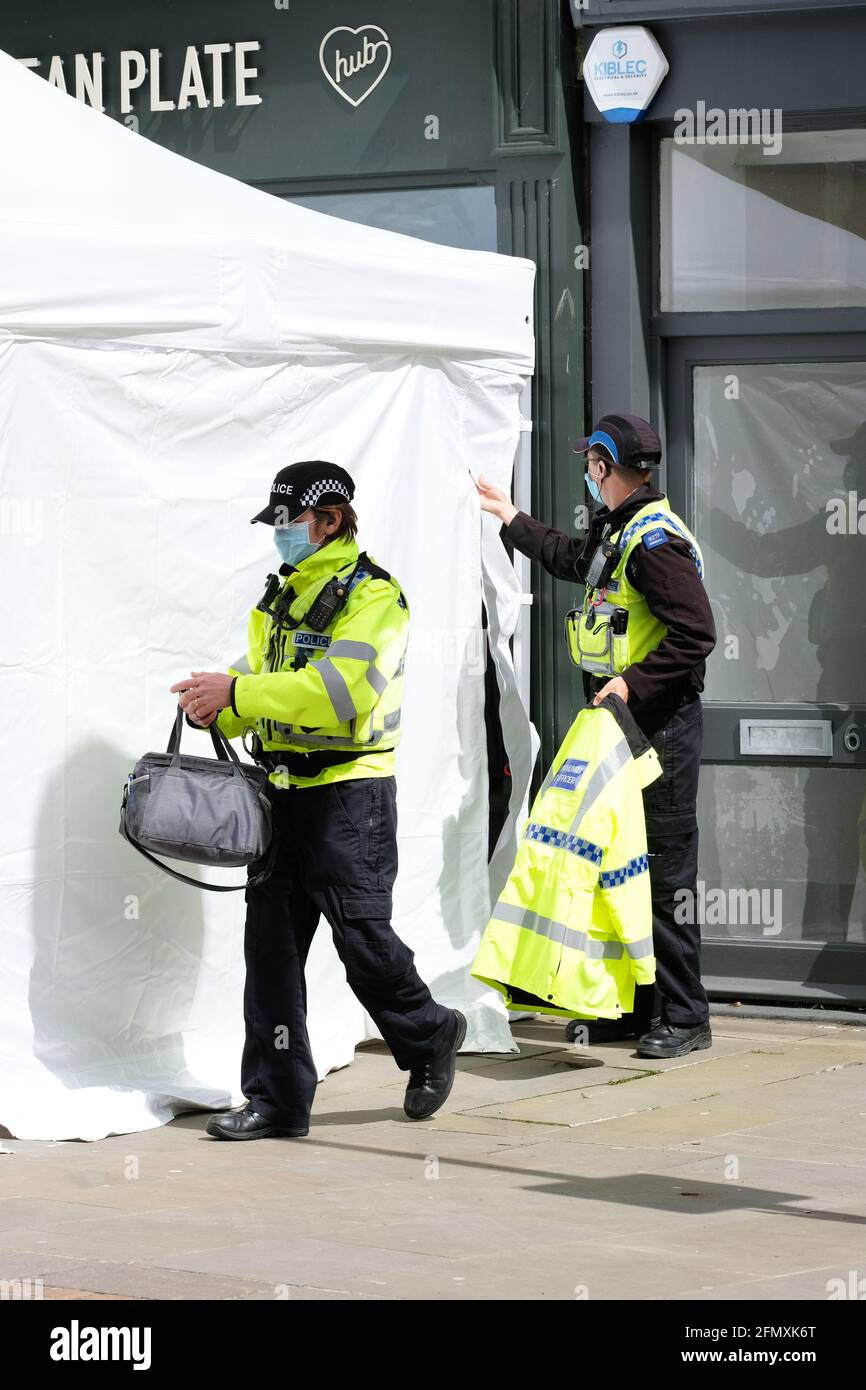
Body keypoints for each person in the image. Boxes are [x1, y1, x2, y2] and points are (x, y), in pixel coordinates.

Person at [170, 460, 465, 1139]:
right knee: (269, 954)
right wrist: (220, 705)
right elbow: (267, 680)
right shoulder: (282, 597)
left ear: (329, 520)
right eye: (274, 524)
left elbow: (342, 693)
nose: (279, 535)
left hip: (348, 796)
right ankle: (276, 1101)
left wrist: (238, 695)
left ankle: (428, 1034)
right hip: (281, 795)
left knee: (361, 939)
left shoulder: (374, 599)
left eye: (289, 522)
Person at [476, 414, 717, 1059]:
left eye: (591, 462)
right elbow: (571, 559)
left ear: (605, 467)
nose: (587, 471)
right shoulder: (621, 529)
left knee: (666, 873)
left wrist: (634, 684)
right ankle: (637, 1008)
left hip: (658, 728)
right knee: (620, 865)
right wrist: (509, 517)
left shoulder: (655, 543)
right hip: (624, 728)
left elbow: (696, 634)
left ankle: (688, 1016)